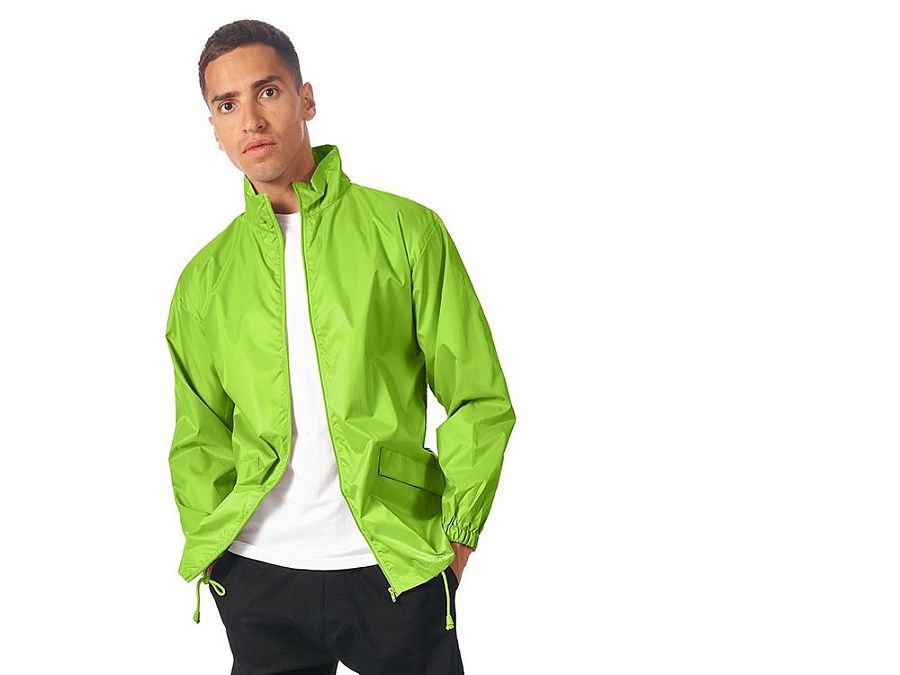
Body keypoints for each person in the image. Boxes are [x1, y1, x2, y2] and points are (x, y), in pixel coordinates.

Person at [164, 18, 516, 675]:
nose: (251, 119)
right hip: (258, 572)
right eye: (227, 104)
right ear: (213, 127)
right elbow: (199, 435)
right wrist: (215, 552)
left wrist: (456, 537)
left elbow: (478, 398)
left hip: (392, 565)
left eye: (268, 91)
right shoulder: (205, 279)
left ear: (306, 99)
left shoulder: (407, 232)